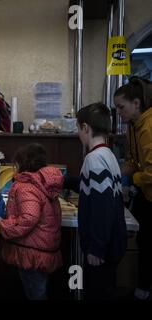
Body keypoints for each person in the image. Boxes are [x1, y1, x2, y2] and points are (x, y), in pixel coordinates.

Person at [0, 143, 63, 300]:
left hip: (31, 253)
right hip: (43, 248)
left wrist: (4, 224)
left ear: (20, 164)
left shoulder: (26, 186)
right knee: (38, 289)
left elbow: (28, 218)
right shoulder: (44, 183)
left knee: (36, 293)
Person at [75, 102, 127, 300]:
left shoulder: (94, 159)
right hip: (112, 241)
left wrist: (96, 247)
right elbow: (98, 189)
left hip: (102, 247)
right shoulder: (108, 155)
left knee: (96, 292)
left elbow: (102, 204)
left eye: (78, 129)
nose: (78, 134)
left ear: (86, 128)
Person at [114, 77, 152, 300]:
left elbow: (148, 172)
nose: (119, 112)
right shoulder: (132, 126)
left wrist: (134, 179)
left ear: (136, 103)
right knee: (139, 238)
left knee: (147, 243)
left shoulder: (148, 126)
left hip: (148, 191)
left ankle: (143, 291)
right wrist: (114, 173)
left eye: (122, 107)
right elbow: (131, 162)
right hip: (145, 193)